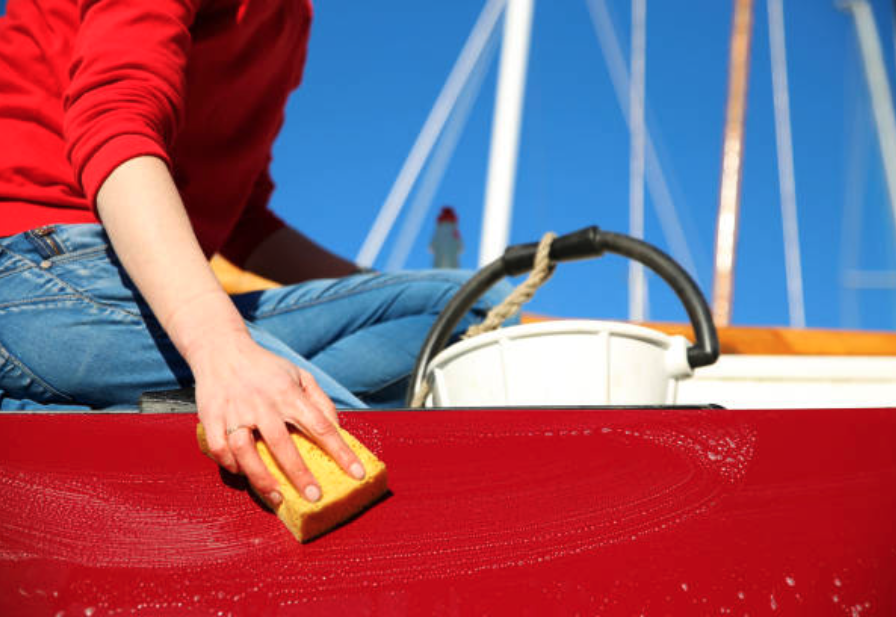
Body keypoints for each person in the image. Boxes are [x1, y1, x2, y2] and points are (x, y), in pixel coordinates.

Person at [0, 1, 509, 507]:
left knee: (464, 305)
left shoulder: (290, 18)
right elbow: (113, 121)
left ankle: (119, 414)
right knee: (360, 463)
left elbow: (244, 221)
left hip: (140, 290)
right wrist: (224, 352)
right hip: (35, 263)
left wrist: (361, 296)